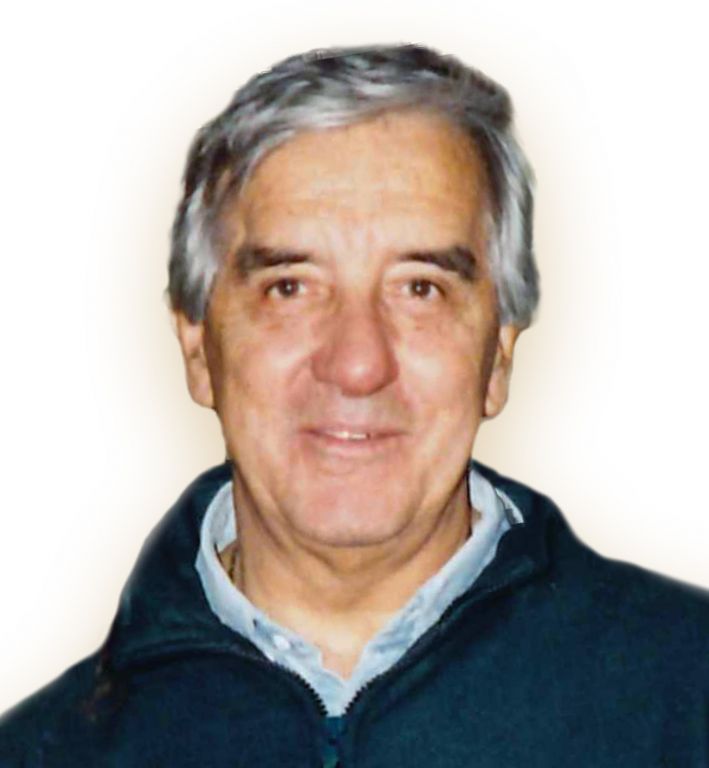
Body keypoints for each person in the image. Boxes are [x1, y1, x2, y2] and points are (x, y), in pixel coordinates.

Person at [1, 44, 707, 767]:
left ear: (497, 355)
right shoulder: (44, 754)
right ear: (198, 349)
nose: (358, 364)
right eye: (289, 287)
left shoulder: (688, 699)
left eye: (420, 288)